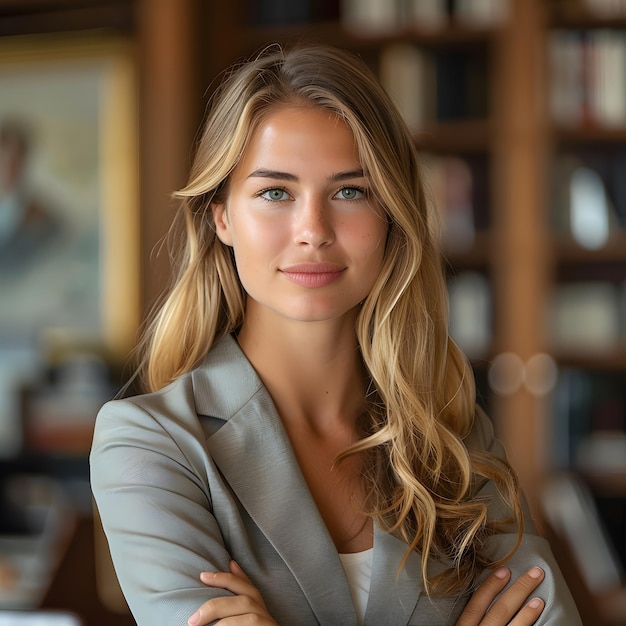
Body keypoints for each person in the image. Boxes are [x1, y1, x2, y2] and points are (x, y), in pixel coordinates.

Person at [90, 43, 582, 625]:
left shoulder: (451, 434)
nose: (313, 231)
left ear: (391, 215)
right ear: (221, 215)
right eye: (275, 192)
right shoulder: (151, 444)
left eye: (351, 191)